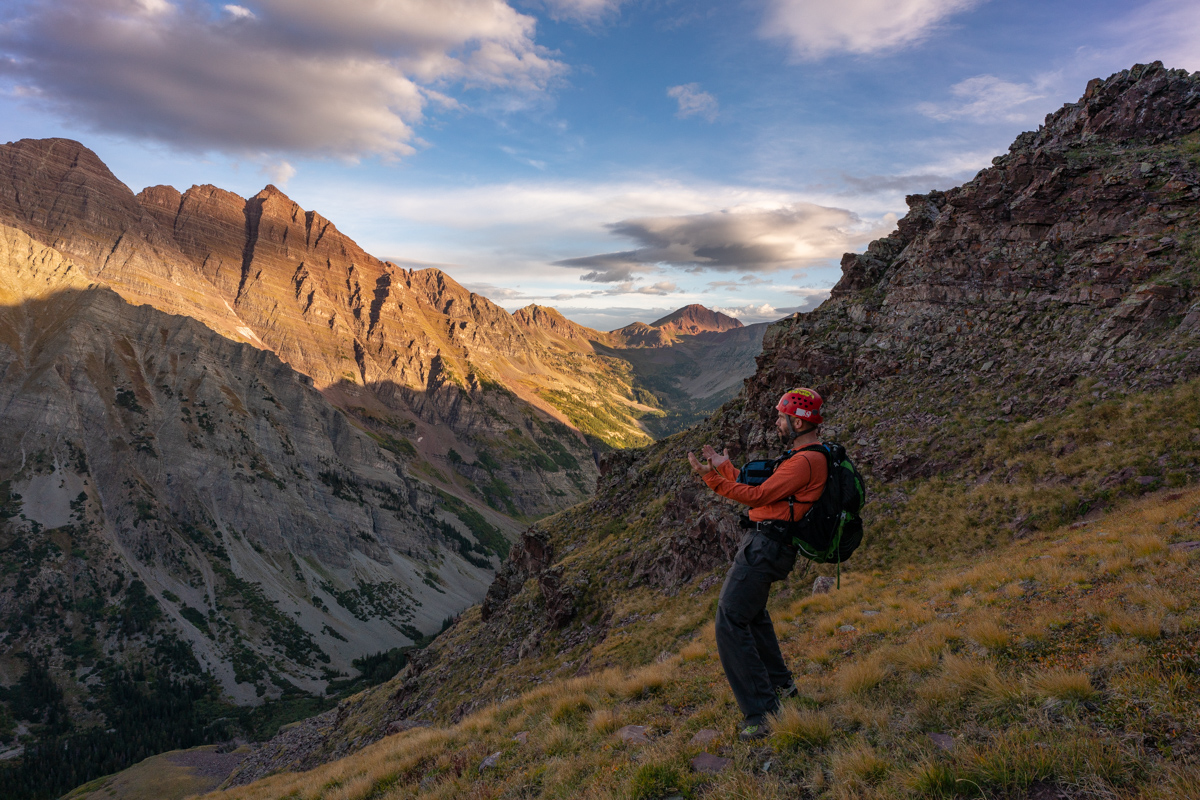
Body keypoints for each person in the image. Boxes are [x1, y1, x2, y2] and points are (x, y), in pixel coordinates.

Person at [686, 387, 828, 741]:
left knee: (730, 620)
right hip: (765, 543)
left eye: (781, 417)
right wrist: (725, 468)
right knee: (752, 616)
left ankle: (761, 714)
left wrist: (711, 479)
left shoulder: (806, 461)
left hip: (767, 547)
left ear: (798, 422)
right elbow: (766, 488)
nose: (777, 423)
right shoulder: (802, 455)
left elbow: (760, 495)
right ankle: (783, 689)